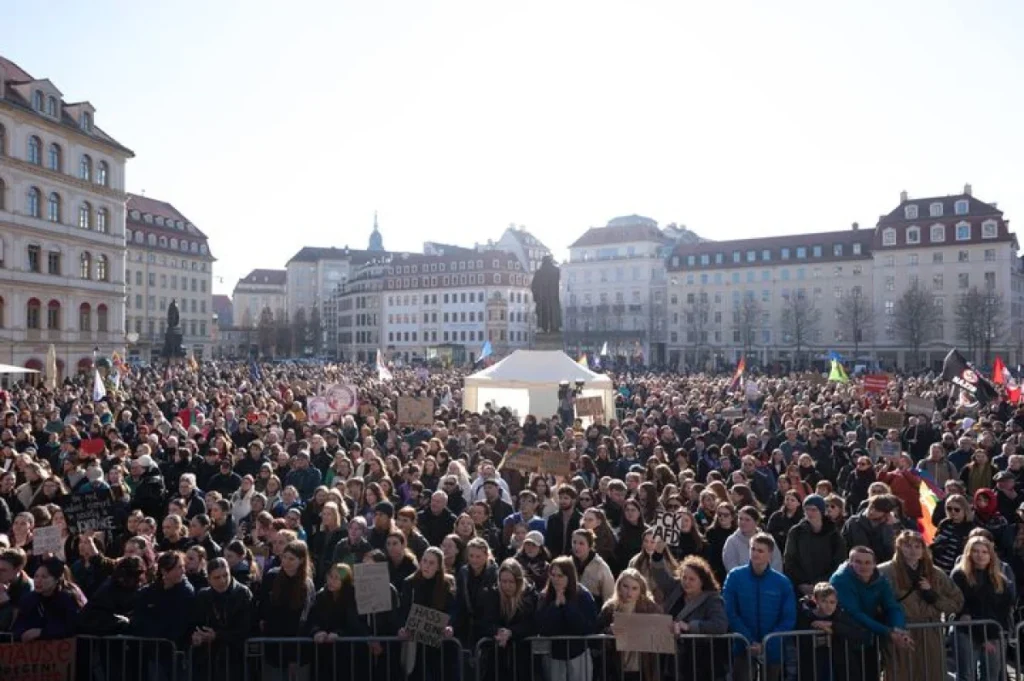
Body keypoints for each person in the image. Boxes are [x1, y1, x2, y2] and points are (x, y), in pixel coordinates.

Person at [878, 530, 963, 681]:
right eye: (908, 546)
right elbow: (874, 602)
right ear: (899, 547)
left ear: (924, 550)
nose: (913, 550)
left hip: (930, 632)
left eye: (918, 546)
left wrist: (933, 596)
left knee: (931, 673)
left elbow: (957, 602)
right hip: (900, 631)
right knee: (900, 673)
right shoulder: (884, 572)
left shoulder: (936, 573)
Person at [830, 546, 913, 681]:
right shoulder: (840, 579)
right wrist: (888, 632)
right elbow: (855, 613)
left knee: (872, 675)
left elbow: (892, 606)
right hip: (845, 637)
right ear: (850, 563)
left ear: (875, 564)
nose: (863, 566)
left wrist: (899, 629)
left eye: (868, 562)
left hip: (869, 636)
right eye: (858, 562)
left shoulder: (880, 579)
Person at [722, 533, 796, 681]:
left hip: (772, 648)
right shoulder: (735, 576)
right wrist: (749, 640)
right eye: (752, 549)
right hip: (742, 646)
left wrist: (767, 642)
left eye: (760, 550)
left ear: (770, 554)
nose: (755, 553)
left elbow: (788, 617)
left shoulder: (782, 582)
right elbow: (729, 610)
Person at [951, 536, 1012, 681]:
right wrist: (982, 636)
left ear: (991, 555)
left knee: (991, 675)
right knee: (967, 675)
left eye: (984, 552)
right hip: (966, 631)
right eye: (975, 551)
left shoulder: (1000, 579)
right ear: (969, 553)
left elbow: (1003, 610)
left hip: (992, 632)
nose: (980, 555)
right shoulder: (959, 575)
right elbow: (960, 605)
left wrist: (991, 637)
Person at [258, 540, 316, 681]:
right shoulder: (271, 576)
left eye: (291, 559)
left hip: (297, 649)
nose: (286, 562)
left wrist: (294, 658)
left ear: (301, 560)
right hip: (273, 648)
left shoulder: (306, 585)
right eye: (284, 557)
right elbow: (262, 606)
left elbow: (304, 620)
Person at [398, 546, 456, 681]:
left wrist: (450, 626)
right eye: (424, 561)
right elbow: (403, 611)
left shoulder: (447, 584)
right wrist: (402, 628)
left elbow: (453, 609)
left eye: (431, 563)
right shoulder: (409, 583)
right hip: (416, 645)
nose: (426, 565)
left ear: (438, 566)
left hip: (439, 646)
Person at [191, 557, 254, 681]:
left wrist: (218, 635)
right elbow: (196, 623)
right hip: (209, 660)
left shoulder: (243, 594)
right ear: (209, 579)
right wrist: (196, 637)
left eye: (226, 575)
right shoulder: (203, 596)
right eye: (217, 577)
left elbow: (246, 628)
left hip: (236, 659)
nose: (223, 580)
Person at [535, 556, 597, 681]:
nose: (556, 579)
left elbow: (587, 627)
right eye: (553, 575)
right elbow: (542, 627)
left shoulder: (583, 595)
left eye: (561, 576)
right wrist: (555, 606)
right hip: (554, 656)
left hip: (578, 654)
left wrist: (568, 607)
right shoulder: (544, 596)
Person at [596, 569, 665, 681]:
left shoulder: (650, 608)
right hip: (616, 667)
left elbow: (663, 630)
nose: (629, 592)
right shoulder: (610, 608)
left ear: (640, 589)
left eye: (634, 588)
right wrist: (609, 631)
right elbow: (596, 634)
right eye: (625, 586)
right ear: (619, 586)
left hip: (643, 667)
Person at [478, 559, 538, 681]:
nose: (507, 586)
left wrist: (511, 632)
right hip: (496, 659)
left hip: (522, 659)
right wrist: (499, 632)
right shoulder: (492, 595)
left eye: (511, 582)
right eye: (503, 581)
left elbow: (532, 624)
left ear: (518, 581)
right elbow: (485, 623)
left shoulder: (529, 596)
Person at [784, 494, 847, 596]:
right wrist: (801, 583)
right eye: (807, 509)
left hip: (827, 587)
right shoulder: (796, 532)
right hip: (801, 587)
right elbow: (789, 559)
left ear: (821, 511)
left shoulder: (833, 533)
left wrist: (821, 583)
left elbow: (839, 560)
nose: (810, 513)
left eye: (814, 510)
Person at [12, 556, 84, 641]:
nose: (38, 580)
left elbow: (72, 627)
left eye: (44, 577)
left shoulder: (68, 598)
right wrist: (22, 633)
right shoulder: (28, 599)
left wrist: (42, 632)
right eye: (36, 576)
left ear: (56, 579)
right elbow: (18, 625)